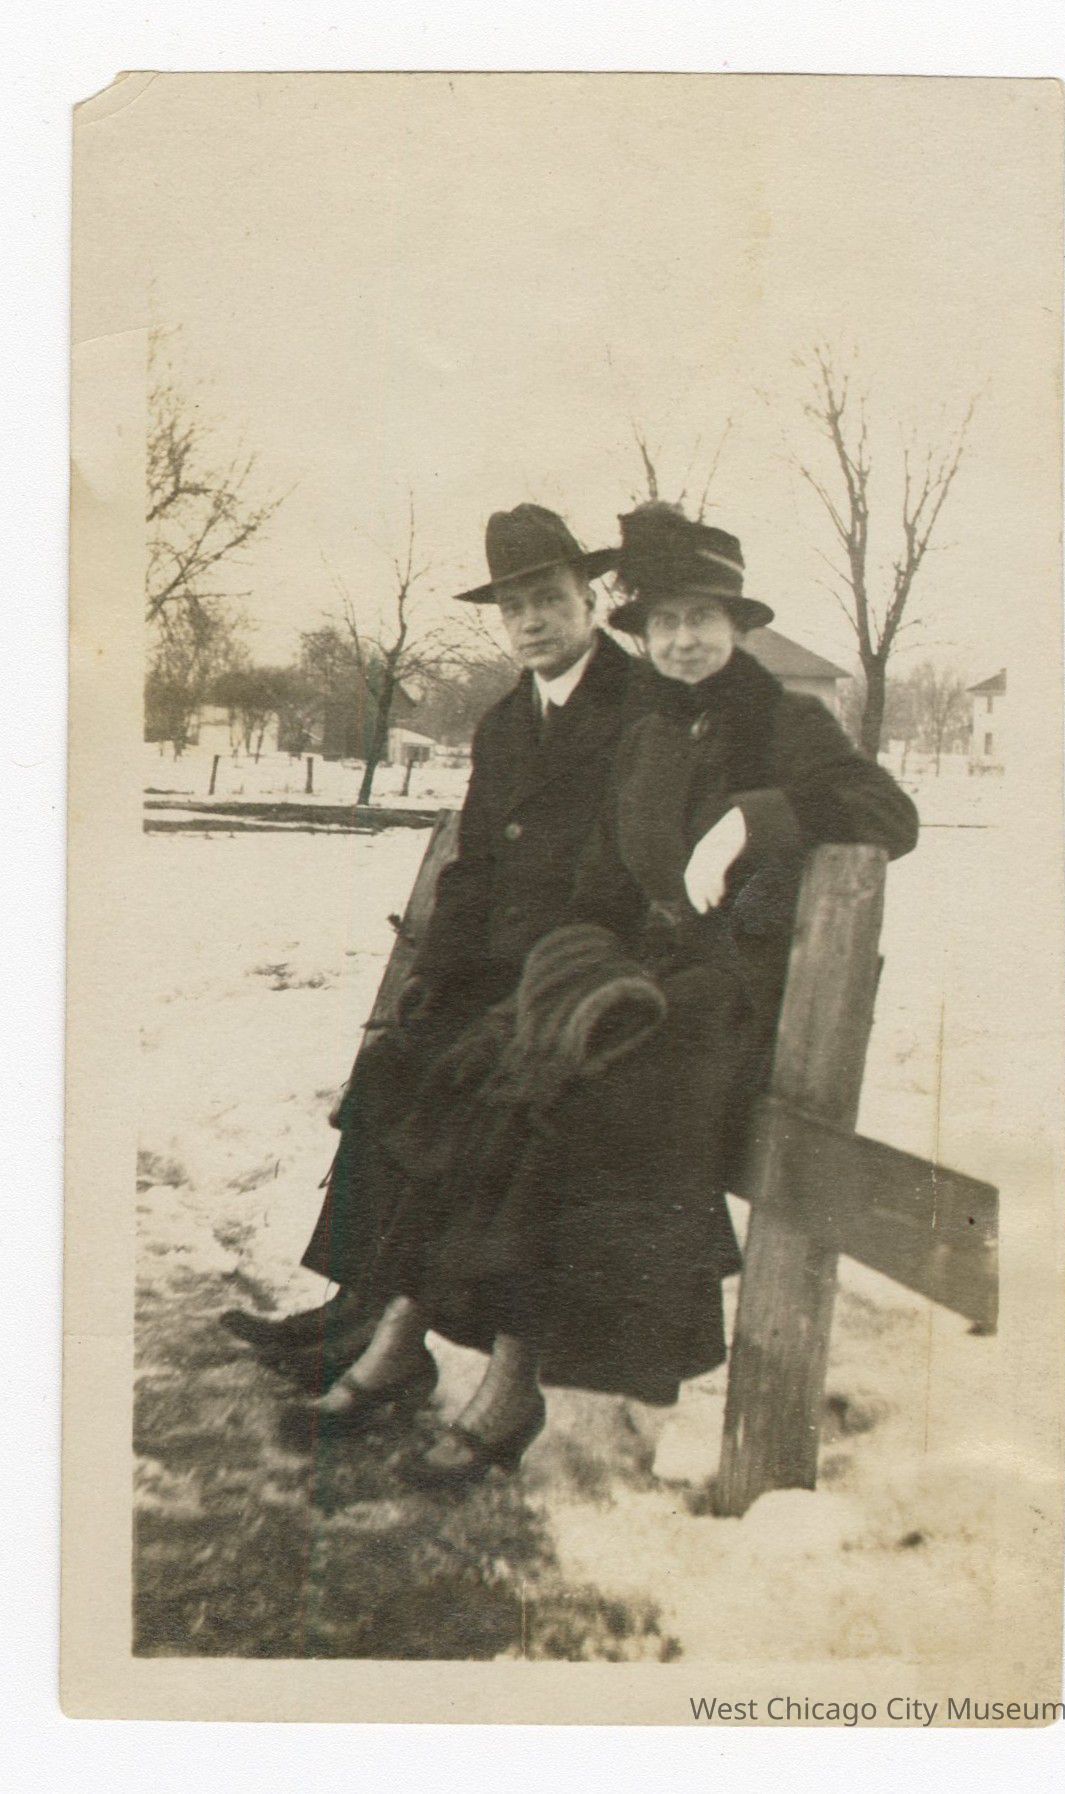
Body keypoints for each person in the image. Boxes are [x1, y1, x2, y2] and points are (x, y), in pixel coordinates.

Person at [287, 501, 919, 1483]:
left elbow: (888, 811)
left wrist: (755, 818)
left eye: (701, 618)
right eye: (664, 623)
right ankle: (407, 1340)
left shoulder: (781, 718)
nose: (681, 640)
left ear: (737, 625)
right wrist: (559, 970)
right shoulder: (653, 729)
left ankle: (517, 1388)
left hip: (732, 1005)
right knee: (492, 1065)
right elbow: (603, 881)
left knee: (567, 1108)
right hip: (652, 985)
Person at [221, 505, 631, 1390]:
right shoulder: (505, 722)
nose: (531, 621)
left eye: (549, 599)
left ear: (590, 598)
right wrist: (435, 976)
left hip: (577, 979)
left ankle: (388, 1336)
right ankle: (357, 1306)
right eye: (513, 606)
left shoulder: (637, 706)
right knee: (394, 1067)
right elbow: (474, 867)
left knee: (462, 1089)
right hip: (492, 975)